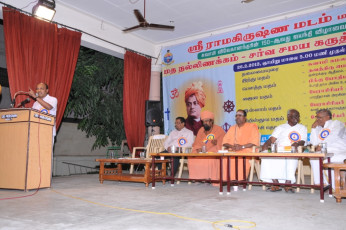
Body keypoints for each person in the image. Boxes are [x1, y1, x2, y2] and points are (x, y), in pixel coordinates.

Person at [260, 109, 307, 193]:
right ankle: (275, 183)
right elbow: (272, 139)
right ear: (288, 116)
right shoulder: (280, 127)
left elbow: (303, 141)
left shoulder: (302, 127)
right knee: (265, 155)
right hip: (279, 149)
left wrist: (296, 143)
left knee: (291, 155)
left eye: (298, 116)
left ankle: (288, 183)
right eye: (294, 116)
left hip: (293, 149)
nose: (296, 118)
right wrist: (265, 145)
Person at [309, 109, 346, 187]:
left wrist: (321, 145)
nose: (317, 120)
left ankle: (334, 186)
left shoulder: (336, 123)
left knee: (325, 159)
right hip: (324, 152)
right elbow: (314, 143)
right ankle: (323, 184)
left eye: (320, 117)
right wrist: (313, 128)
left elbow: (335, 136)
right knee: (314, 157)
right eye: (317, 117)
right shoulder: (319, 128)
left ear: (327, 117)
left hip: (339, 151)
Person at [188, 111, 225, 183]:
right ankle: (197, 178)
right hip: (201, 150)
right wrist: (198, 148)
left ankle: (208, 178)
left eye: (207, 121)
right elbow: (197, 142)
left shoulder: (218, 129)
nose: (205, 123)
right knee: (192, 155)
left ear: (212, 121)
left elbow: (222, 142)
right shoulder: (201, 130)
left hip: (213, 150)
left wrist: (216, 143)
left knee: (210, 154)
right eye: (204, 121)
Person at [222, 109, 260, 181]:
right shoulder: (232, 128)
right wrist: (232, 146)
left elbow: (254, 142)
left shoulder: (252, 127)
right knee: (225, 157)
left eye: (240, 115)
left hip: (246, 150)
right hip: (234, 150)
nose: (237, 117)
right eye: (236, 115)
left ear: (245, 118)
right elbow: (224, 142)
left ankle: (240, 179)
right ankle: (228, 179)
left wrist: (241, 147)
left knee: (240, 157)